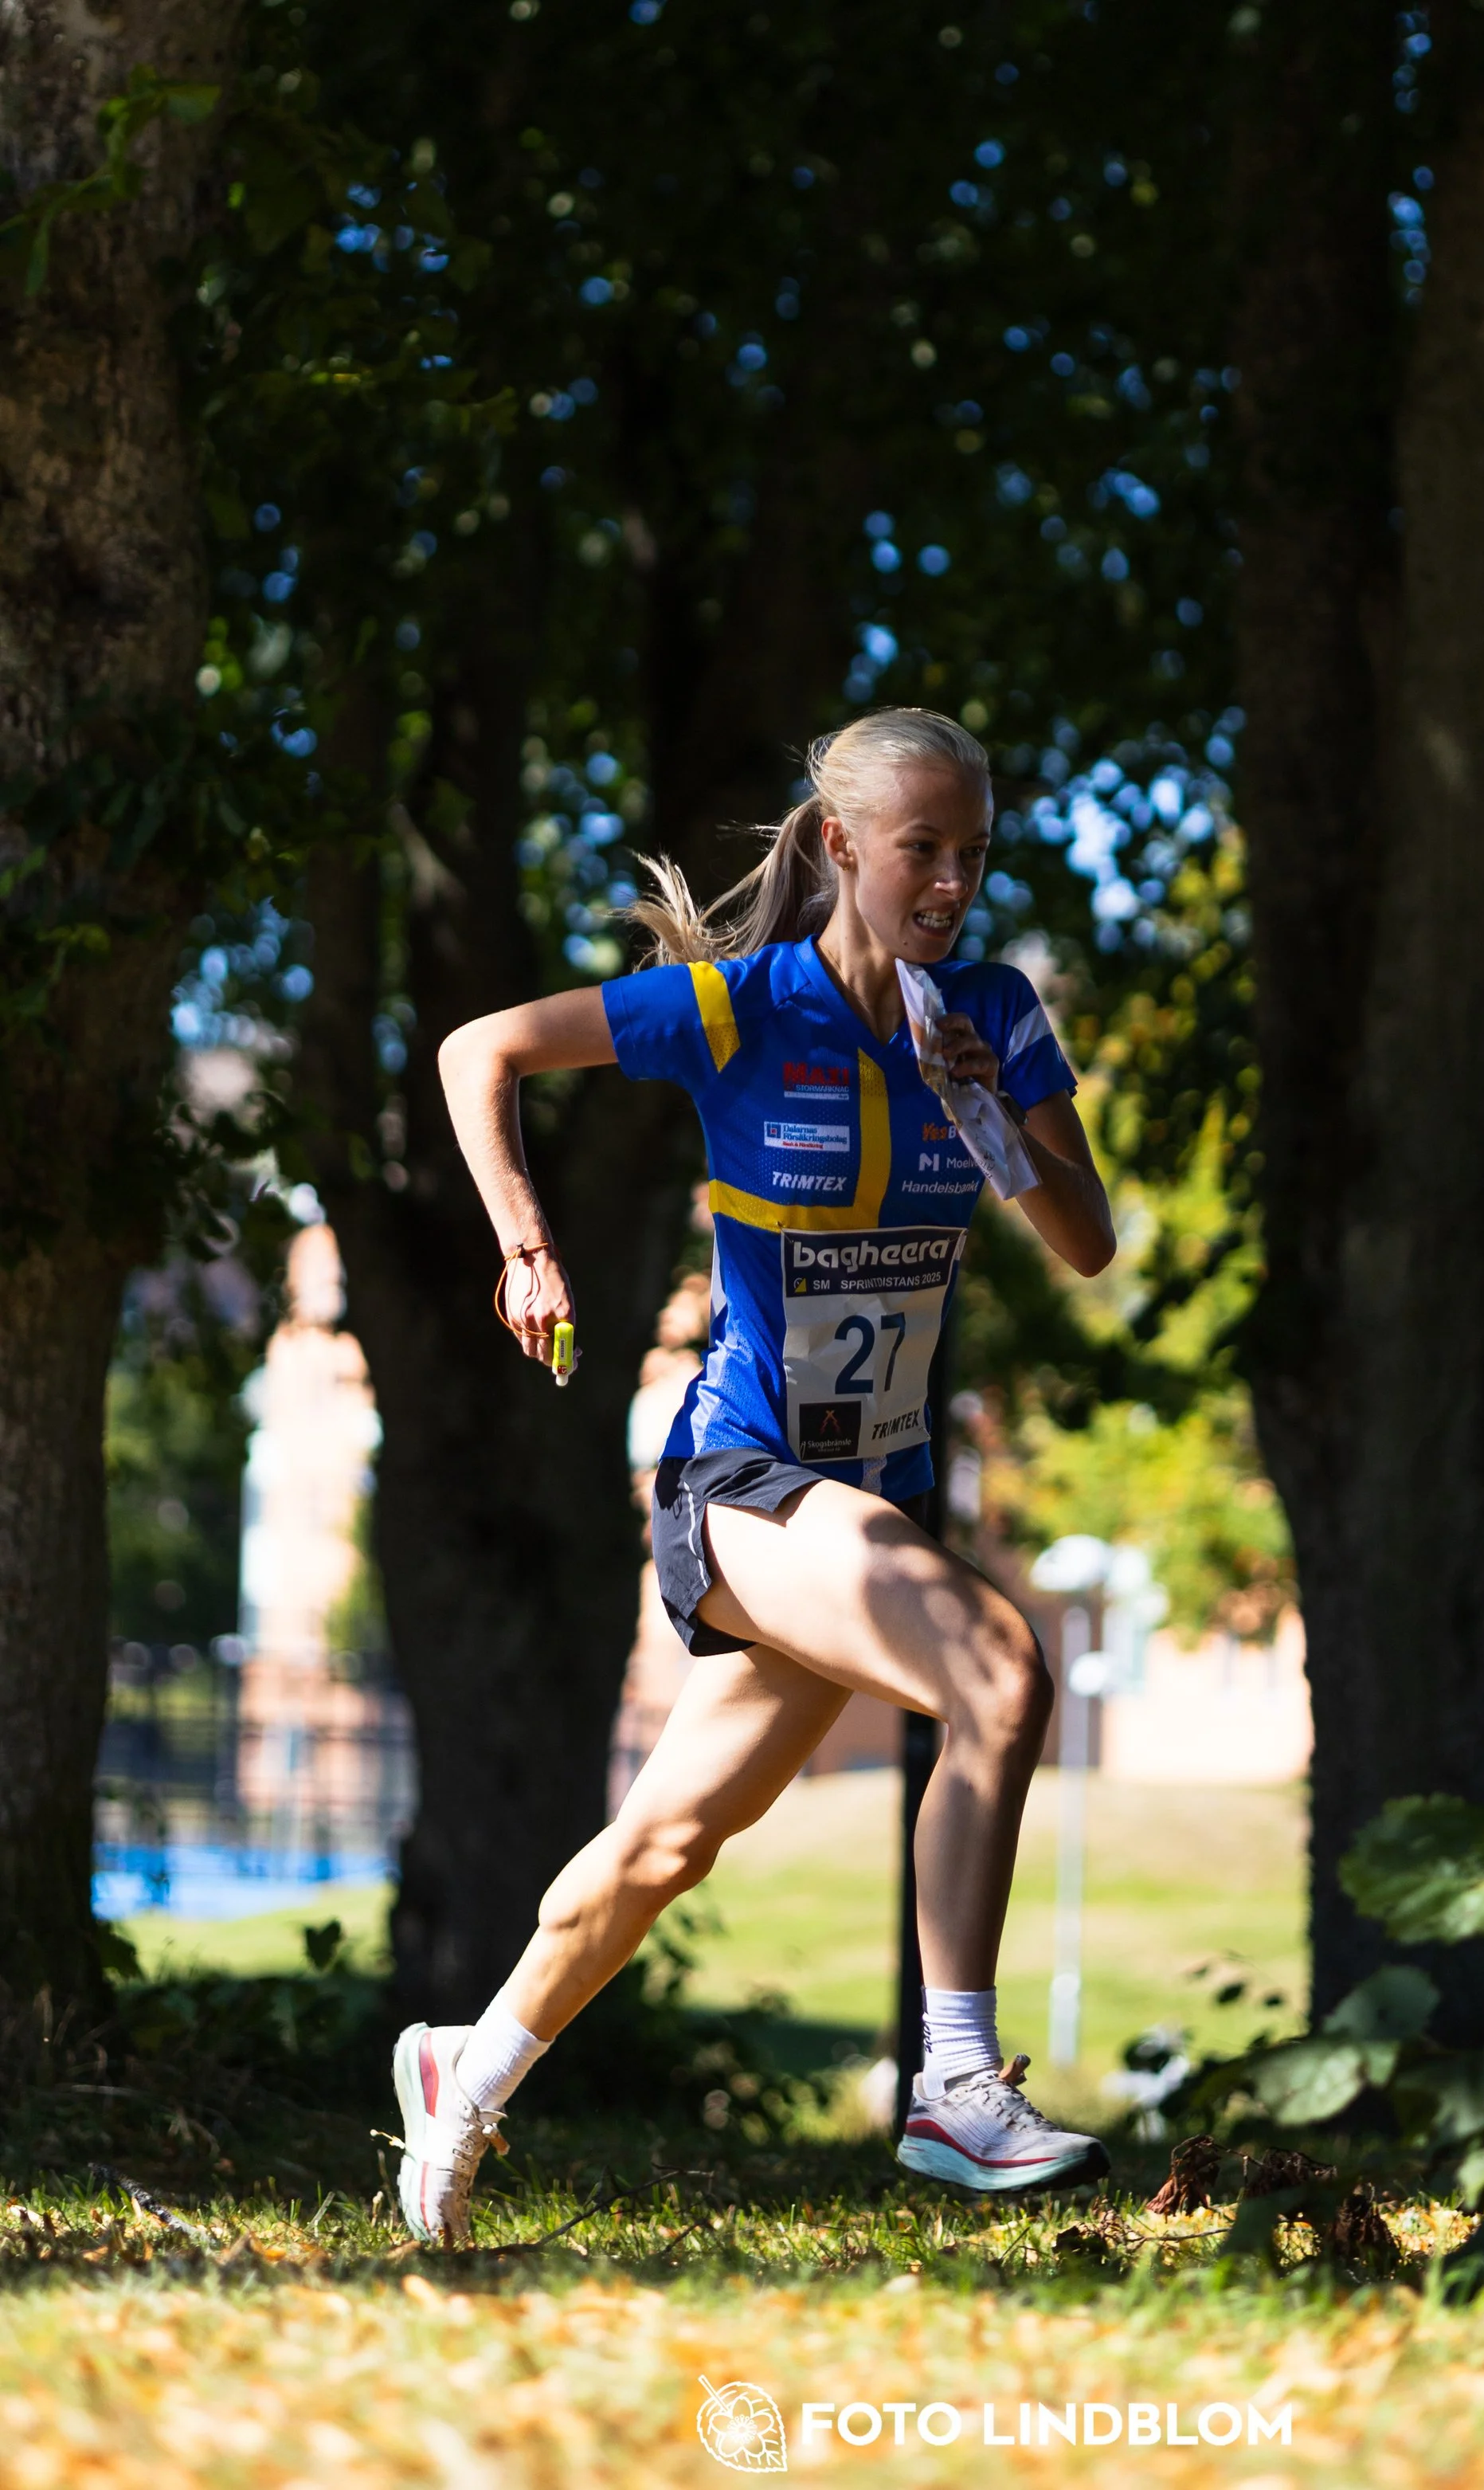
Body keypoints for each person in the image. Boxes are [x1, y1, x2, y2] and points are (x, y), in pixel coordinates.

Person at [393, 708, 1118, 2244]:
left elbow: (1087, 1240)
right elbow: (482, 1050)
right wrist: (526, 1245)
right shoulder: (737, 1008)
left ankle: (468, 2067)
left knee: (664, 1847)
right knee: (999, 1668)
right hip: (741, 1481)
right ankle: (956, 2086)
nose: (951, 885)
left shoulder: (992, 1008)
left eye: (974, 855)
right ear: (845, 843)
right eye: (924, 849)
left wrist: (990, 1108)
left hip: (870, 1510)